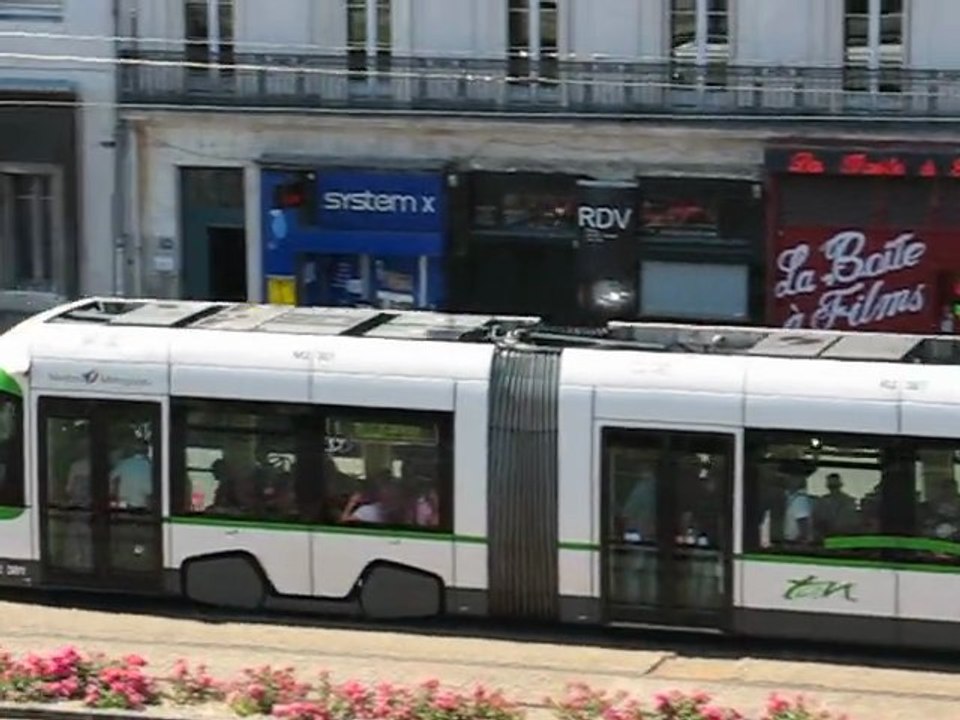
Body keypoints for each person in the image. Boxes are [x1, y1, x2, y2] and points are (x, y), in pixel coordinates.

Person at [813, 472, 860, 539]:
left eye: (835, 486)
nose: (834, 489)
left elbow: (852, 522)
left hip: (844, 536)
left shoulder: (849, 501)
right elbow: (816, 520)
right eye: (832, 486)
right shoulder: (822, 502)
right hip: (826, 536)